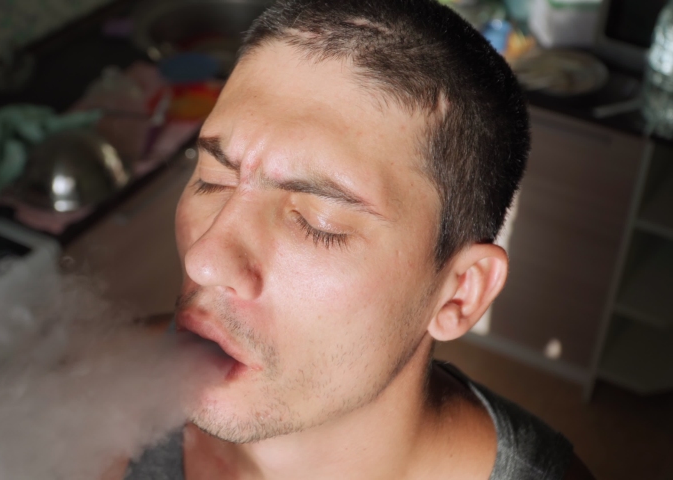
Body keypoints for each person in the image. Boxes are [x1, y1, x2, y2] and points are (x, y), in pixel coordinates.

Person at [118, 0, 595, 478]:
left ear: (460, 293)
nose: (204, 260)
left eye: (318, 222)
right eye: (212, 179)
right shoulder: (116, 380)